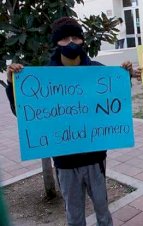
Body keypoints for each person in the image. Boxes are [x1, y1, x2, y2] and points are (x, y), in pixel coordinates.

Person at [5, 17, 135, 226]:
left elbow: (115, 102)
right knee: (74, 217)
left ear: (83, 40)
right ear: (56, 42)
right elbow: (20, 112)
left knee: (103, 212)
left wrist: (124, 76)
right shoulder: (43, 79)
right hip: (65, 164)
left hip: (95, 159)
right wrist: (13, 84)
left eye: (76, 37)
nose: (71, 42)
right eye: (65, 38)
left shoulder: (98, 71)